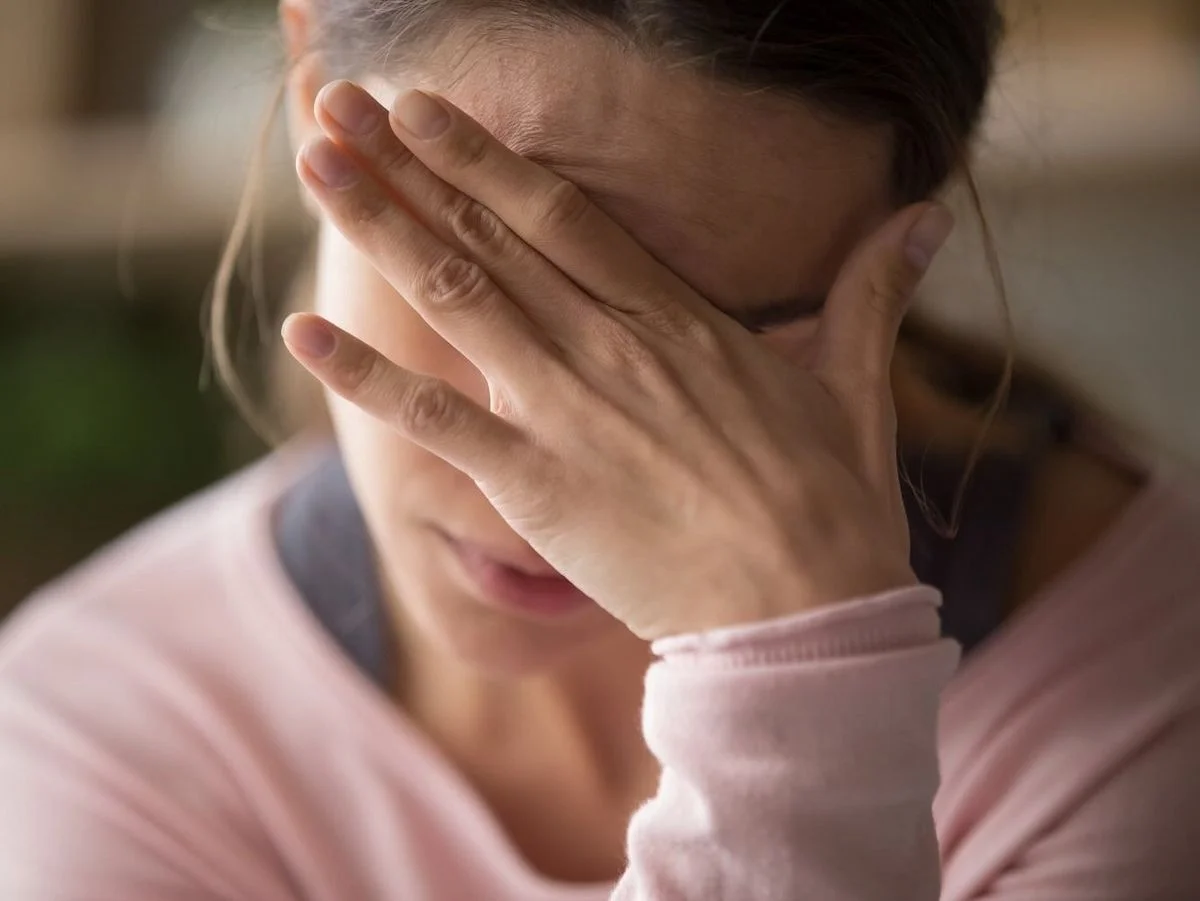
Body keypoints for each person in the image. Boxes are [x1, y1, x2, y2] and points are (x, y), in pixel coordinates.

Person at [2, 0, 1198, 897]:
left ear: (900, 241)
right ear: (314, 74)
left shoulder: (1147, 689)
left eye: (719, 350)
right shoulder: (106, 732)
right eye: (489, 277)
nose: (545, 478)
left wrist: (795, 674)